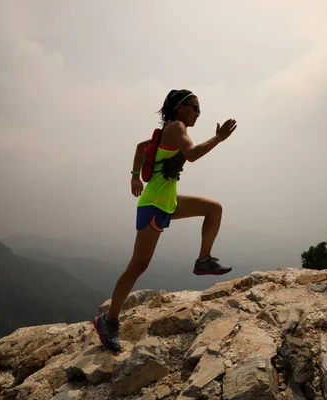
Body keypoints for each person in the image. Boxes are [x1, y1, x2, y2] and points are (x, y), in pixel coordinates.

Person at [93, 89, 238, 351]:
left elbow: (141, 147)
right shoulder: (177, 126)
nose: (197, 113)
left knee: (214, 209)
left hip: (168, 200)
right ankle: (108, 320)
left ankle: (204, 261)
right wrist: (218, 138)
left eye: (199, 110)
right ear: (180, 108)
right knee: (138, 265)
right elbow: (192, 155)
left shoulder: (170, 130)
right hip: (154, 204)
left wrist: (135, 175)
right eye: (195, 108)